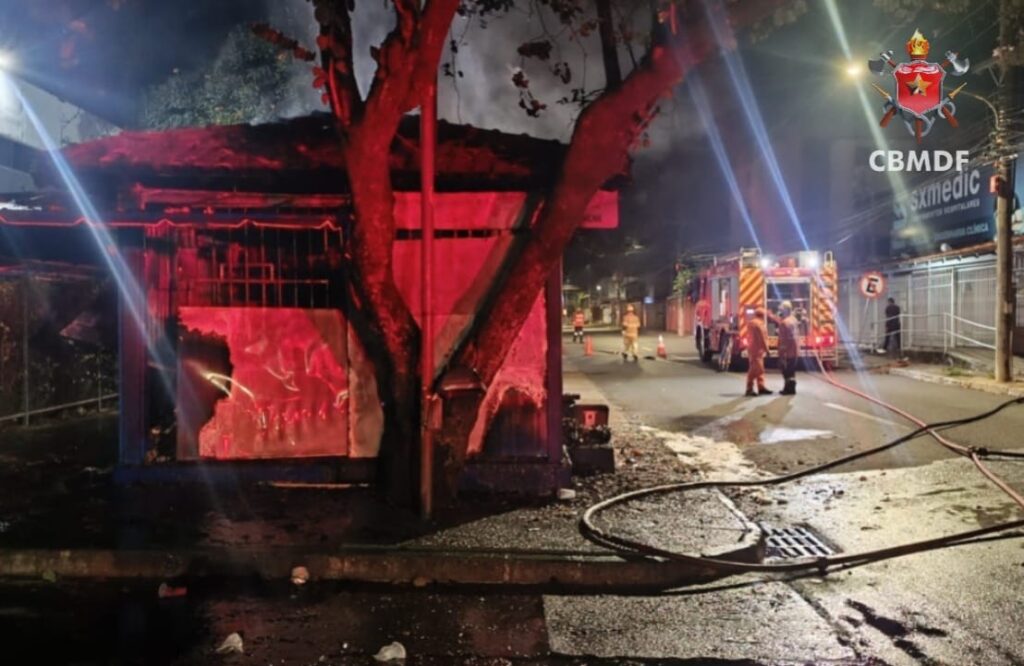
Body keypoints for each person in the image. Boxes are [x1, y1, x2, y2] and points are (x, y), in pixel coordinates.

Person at [773, 300, 800, 395]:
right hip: (795, 350)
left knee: (786, 370)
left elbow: (784, 341)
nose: (780, 312)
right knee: (791, 370)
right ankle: (790, 388)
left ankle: (788, 388)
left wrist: (782, 354)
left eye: (781, 310)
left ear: (785, 310)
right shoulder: (794, 320)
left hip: (787, 352)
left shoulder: (784, 323)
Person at [745, 307, 772, 397]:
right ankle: (749, 389)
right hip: (757, 350)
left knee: (758, 369)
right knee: (756, 369)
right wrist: (767, 350)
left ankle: (761, 387)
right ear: (762, 315)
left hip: (752, 349)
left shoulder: (751, 323)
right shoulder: (760, 324)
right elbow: (763, 338)